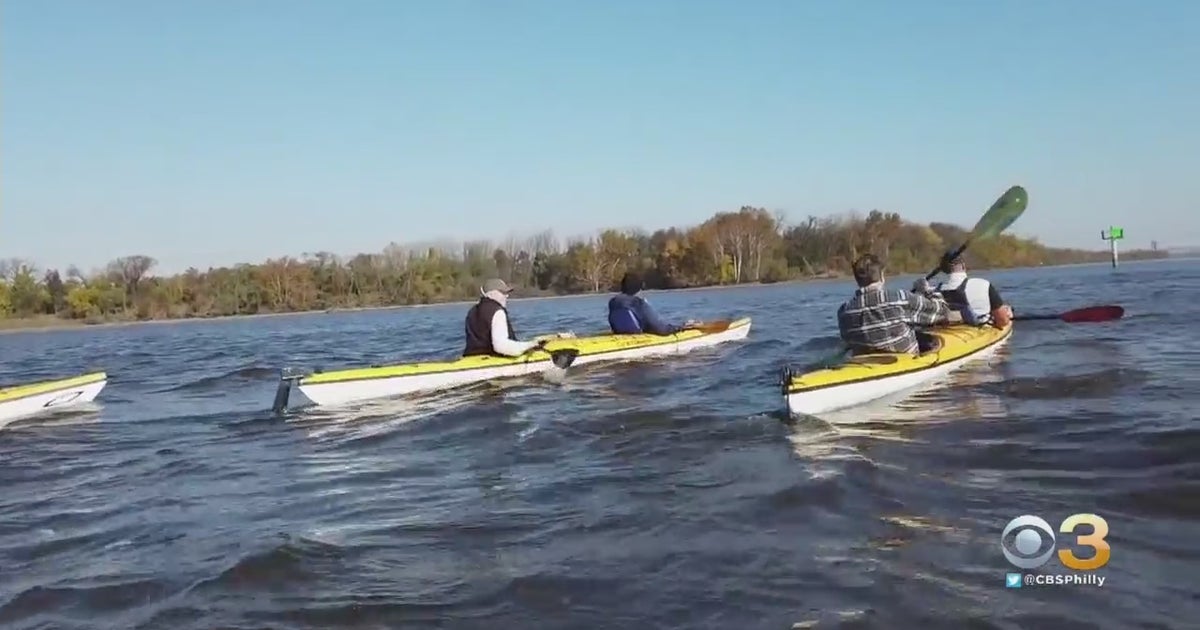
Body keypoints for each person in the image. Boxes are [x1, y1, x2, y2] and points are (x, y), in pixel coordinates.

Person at [838, 253, 957, 355]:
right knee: (929, 339)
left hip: (864, 362)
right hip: (905, 361)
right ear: (882, 276)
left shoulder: (844, 311)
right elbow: (943, 311)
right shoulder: (899, 298)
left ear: (857, 280)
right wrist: (926, 290)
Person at [462, 279, 544, 357]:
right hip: (494, 359)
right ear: (492, 293)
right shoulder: (498, 312)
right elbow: (501, 346)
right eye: (503, 292)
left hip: (470, 357)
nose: (507, 296)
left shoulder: (471, 312)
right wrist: (530, 345)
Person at [930, 251, 1014, 328]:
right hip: (977, 331)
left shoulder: (934, 291)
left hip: (946, 330)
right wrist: (1007, 316)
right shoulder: (983, 284)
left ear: (944, 269)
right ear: (963, 265)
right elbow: (1002, 321)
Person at [607, 272, 699, 335]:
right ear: (638, 289)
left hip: (621, 334)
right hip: (639, 335)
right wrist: (680, 328)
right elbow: (661, 329)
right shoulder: (638, 303)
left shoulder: (613, 302)